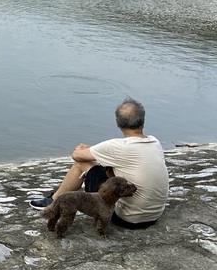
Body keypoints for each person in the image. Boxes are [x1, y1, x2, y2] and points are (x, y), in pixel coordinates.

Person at [30, 97, 169, 229]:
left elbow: (77, 156)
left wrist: (82, 149)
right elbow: (114, 155)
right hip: (153, 217)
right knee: (107, 165)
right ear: (143, 122)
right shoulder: (154, 142)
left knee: (81, 165)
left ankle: (53, 201)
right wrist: (93, 150)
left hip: (124, 218)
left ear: (117, 123)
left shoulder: (116, 146)